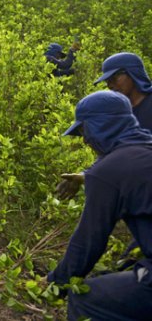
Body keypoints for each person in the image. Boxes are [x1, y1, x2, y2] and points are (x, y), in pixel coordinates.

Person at [47, 90, 152, 321]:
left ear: (102, 125)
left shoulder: (108, 171)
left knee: (85, 299)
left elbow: (88, 242)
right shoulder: (144, 149)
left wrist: (55, 285)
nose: (84, 140)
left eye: (84, 130)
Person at [56, 52, 152, 199]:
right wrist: (85, 175)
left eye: (114, 78)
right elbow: (114, 153)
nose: (110, 85)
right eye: (107, 81)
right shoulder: (118, 113)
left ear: (132, 73)